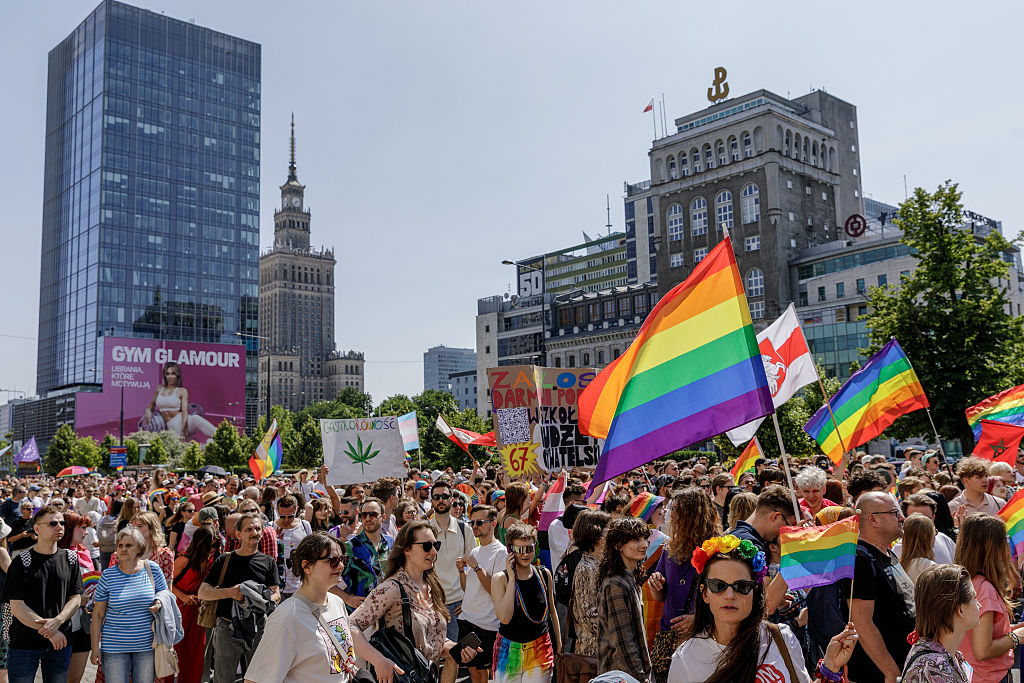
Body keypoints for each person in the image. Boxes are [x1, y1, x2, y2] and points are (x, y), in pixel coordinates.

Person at [668, 533, 859, 683]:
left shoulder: (781, 637)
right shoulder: (686, 657)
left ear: (755, 591)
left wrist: (831, 666)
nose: (729, 595)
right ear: (705, 593)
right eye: (718, 585)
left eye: (742, 586)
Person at [349, 521, 479, 682]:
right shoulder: (392, 588)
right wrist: (379, 661)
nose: (433, 551)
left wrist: (453, 648)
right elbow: (350, 626)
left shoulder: (433, 586)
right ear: (407, 549)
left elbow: (429, 639)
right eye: (426, 546)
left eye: (435, 545)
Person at [244, 533, 366, 683]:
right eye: (332, 561)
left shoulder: (337, 602)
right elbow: (256, 680)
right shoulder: (287, 616)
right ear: (307, 566)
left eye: (343, 560)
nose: (341, 566)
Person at [2, 505, 83, 683]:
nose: (59, 527)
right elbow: (16, 606)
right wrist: (50, 631)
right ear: (37, 529)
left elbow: (76, 597)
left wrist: (58, 621)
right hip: (25, 643)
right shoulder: (21, 562)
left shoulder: (70, 559)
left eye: (62, 523)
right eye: (53, 523)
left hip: (60, 643)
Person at [647, 488, 720, 683]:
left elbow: (724, 597)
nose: (670, 514)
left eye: (676, 509)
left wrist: (698, 619)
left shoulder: (717, 549)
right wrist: (655, 585)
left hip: (705, 636)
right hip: (668, 637)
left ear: (691, 514)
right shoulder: (669, 548)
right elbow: (660, 597)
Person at [197, 513, 281, 683]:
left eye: (257, 528)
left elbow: (276, 594)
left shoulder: (268, 562)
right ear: (238, 534)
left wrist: (260, 599)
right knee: (224, 679)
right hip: (227, 629)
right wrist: (231, 592)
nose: (254, 532)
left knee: (257, 678)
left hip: (258, 627)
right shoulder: (224, 560)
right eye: (248, 529)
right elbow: (203, 592)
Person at [844, 491, 916, 683]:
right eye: (895, 512)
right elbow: (862, 623)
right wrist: (891, 672)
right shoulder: (860, 559)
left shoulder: (886, 553)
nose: (902, 518)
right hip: (876, 675)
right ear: (873, 520)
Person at [89, 527, 166, 683]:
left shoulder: (152, 569)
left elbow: (166, 597)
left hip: (146, 646)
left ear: (139, 548)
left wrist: (159, 602)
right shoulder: (108, 575)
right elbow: (97, 615)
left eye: (129, 545)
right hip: (113, 647)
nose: (123, 549)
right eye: (120, 545)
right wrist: (95, 647)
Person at [954, 513, 1024, 682]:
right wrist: (1017, 637)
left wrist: (1014, 628)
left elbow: (980, 633)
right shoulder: (984, 588)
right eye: (1004, 540)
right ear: (991, 547)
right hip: (988, 677)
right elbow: (983, 649)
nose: (1007, 547)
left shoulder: (965, 580)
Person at [490, 522, 560, 683]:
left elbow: (552, 611)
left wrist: (560, 646)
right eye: (520, 549)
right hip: (509, 651)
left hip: (540, 647)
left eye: (530, 548)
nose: (525, 554)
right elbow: (505, 618)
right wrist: (512, 577)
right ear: (510, 550)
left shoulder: (544, 574)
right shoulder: (500, 579)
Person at [594, 516, 651, 682]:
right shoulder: (616, 584)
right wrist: (641, 678)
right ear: (619, 546)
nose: (644, 545)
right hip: (621, 676)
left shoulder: (628, 578)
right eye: (635, 540)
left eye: (644, 539)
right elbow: (623, 644)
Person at [456, 504, 507, 683]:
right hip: (467, 619)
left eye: (479, 522)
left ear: (493, 524)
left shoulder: (501, 552)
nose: (475, 526)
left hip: (486, 624)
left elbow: (496, 590)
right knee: (473, 671)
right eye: (472, 522)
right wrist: (462, 572)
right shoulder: (475, 551)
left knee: (485, 674)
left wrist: (477, 567)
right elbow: (467, 588)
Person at [901, 564, 979, 682]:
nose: (979, 605)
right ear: (961, 609)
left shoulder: (943, 655)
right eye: (974, 598)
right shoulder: (933, 667)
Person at [426, 481, 475, 642]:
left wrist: (469, 599)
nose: (441, 500)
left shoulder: (464, 528)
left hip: (461, 605)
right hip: (434, 605)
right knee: (437, 659)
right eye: (437, 497)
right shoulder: (424, 531)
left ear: (451, 499)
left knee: (462, 659)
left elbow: (474, 567)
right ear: (431, 500)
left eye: (445, 496)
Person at [170, 526, 219, 683]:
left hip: (199, 611)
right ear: (200, 544)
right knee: (175, 650)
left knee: (195, 652)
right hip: (180, 609)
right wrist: (183, 596)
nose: (213, 549)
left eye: (216, 545)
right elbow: (166, 583)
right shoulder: (184, 559)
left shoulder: (211, 559)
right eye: (210, 545)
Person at [55, 513, 95, 683]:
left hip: (84, 624)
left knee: (75, 678)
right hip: (60, 625)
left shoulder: (85, 554)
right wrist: (77, 598)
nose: (87, 532)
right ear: (70, 528)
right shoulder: (53, 554)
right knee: (57, 678)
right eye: (83, 527)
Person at [337, 497, 394, 611]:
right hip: (361, 613)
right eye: (364, 515)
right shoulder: (349, 547)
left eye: (373, 514)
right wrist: (347, 598)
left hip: (388, 610)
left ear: (382, 517)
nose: (367, 519)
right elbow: (325, 579)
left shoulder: (390, 542)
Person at [568, 509, 611, 660]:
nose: (612, 532)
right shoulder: (586, 567)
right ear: (596, 534)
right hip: (594, 651)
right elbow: (589, 615)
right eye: (608, 528)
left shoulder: (598, 563)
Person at [144, 362, 216, 440]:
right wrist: (148, 410)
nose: (170, 376)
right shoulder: (159, 388)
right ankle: (208, 444)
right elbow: (152, 404)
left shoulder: (182, 391)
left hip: (183, 423)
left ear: (177, 375)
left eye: (173, 374)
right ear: (165, 375)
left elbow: (184, 412)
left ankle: (221, 434)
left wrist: (183, 430)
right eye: (168, 374)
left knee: (195, 418)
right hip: (170, 427)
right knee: (181, 448)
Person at [895, 493, 956, 563]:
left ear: (934, 517)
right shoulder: (899, 549)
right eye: (915, 520)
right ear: (905, 519)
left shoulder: (945, 541)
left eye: (927, 519)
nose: (922, 524)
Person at [274, 495, 312, 600]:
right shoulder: (271, 527)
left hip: (301, 586)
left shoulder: (305, 525)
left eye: (290, 516)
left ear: (297, 509)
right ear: (277, 511)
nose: (286, 519)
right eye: (282, 516)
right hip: (278, 588)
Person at [948, 458, 1003, 523]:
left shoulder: (999, 504)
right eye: (979, 477)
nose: (985, 480)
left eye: (986, 476)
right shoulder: (952, 507)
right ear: (966, 481)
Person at [898, 514, 937, 583]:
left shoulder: (898, 565)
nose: (935, 536)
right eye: (934, 532)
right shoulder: (929, 566)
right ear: (926, 536)